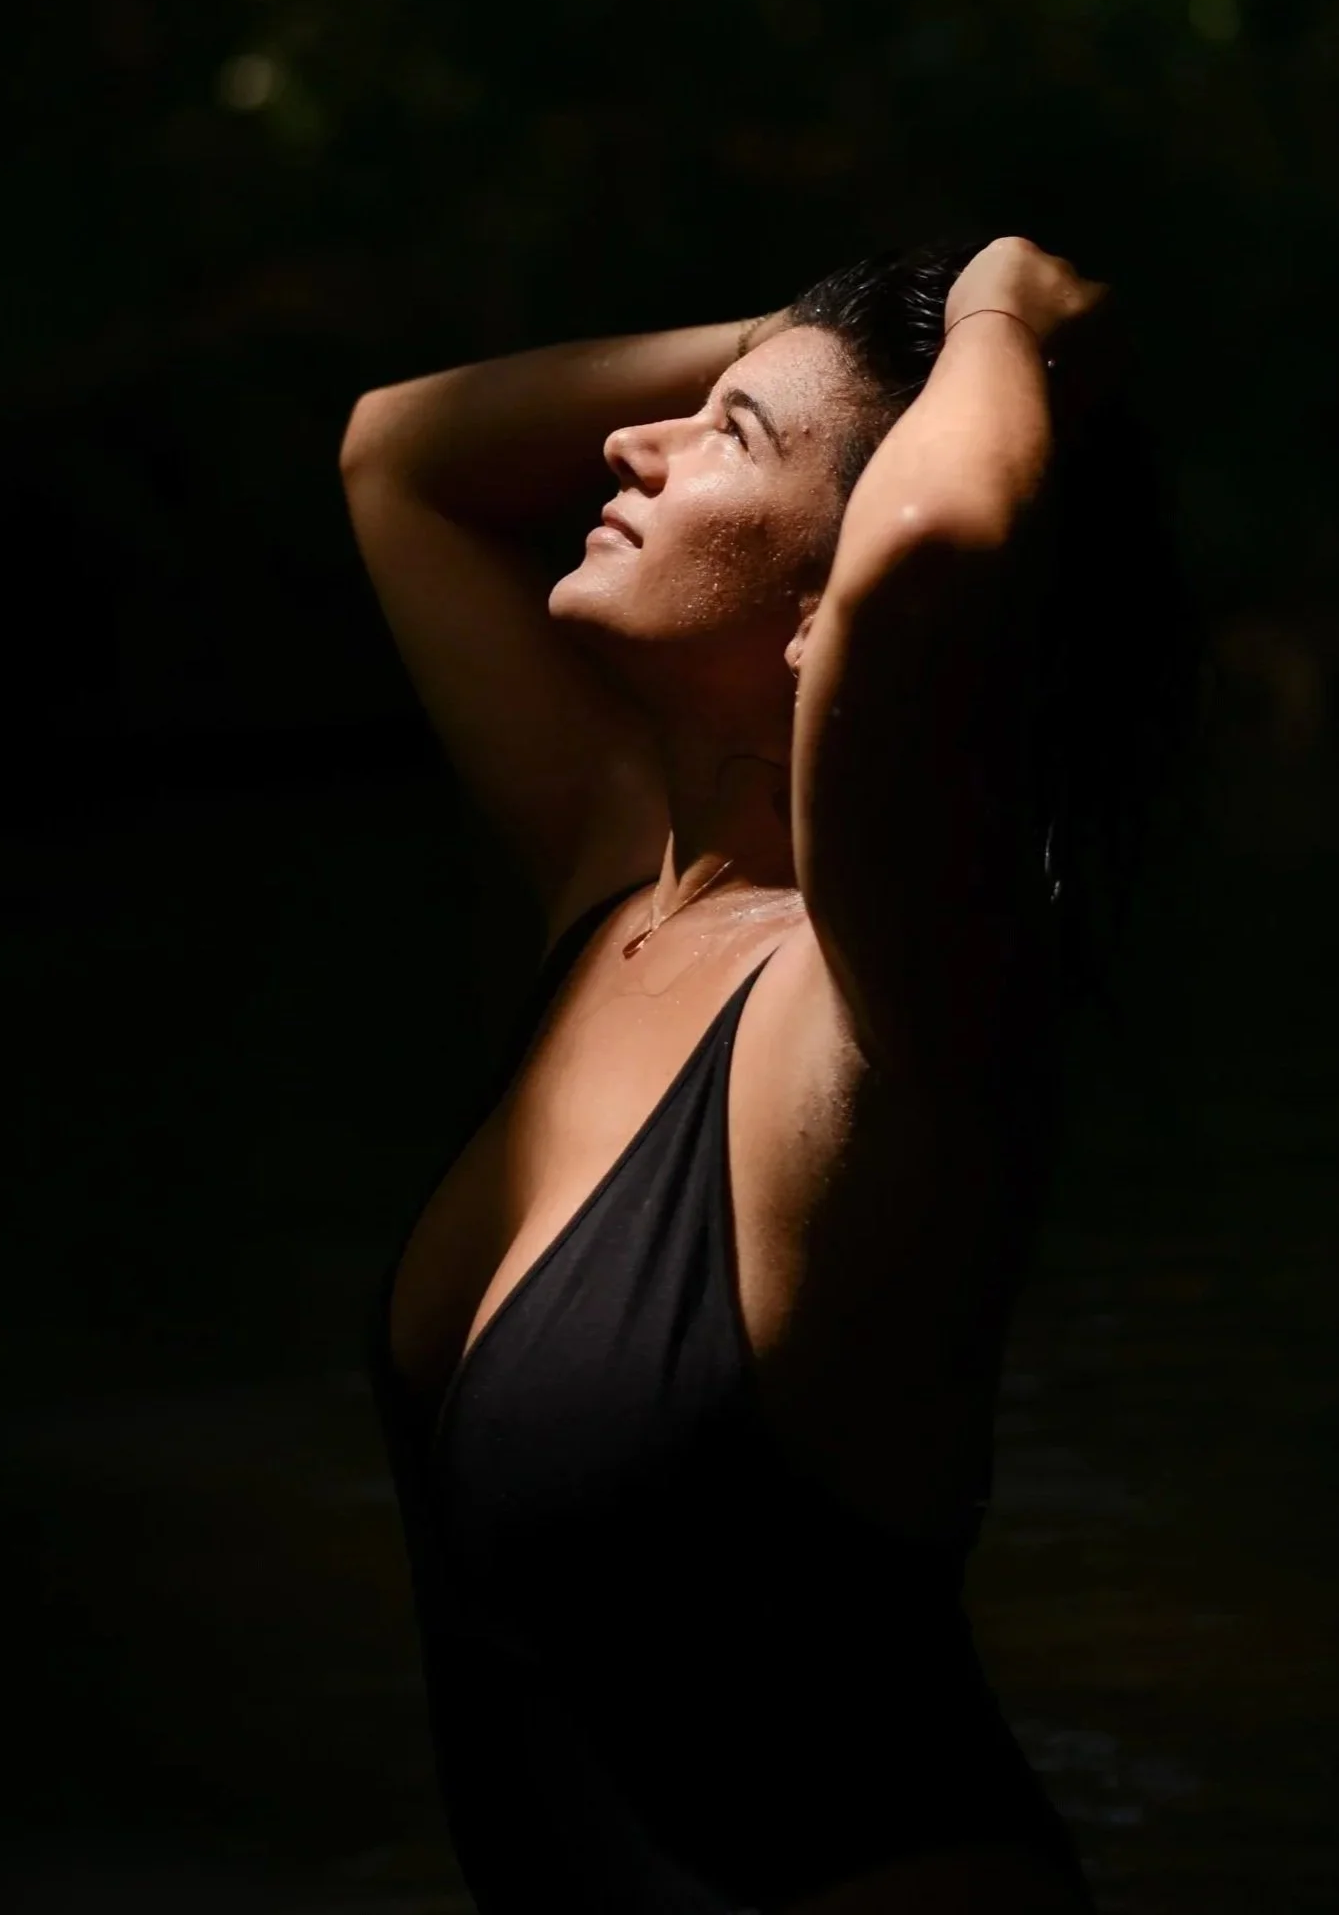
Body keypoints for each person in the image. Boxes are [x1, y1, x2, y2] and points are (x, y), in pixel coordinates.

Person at [340, 233, 1173, 1913]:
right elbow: (399, 453)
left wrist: (999, 296)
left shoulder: (903, 1000)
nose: (629, 444)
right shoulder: (620, 886)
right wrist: (802, 348)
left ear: (822, 604)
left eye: (722, 438)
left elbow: (940, 539)